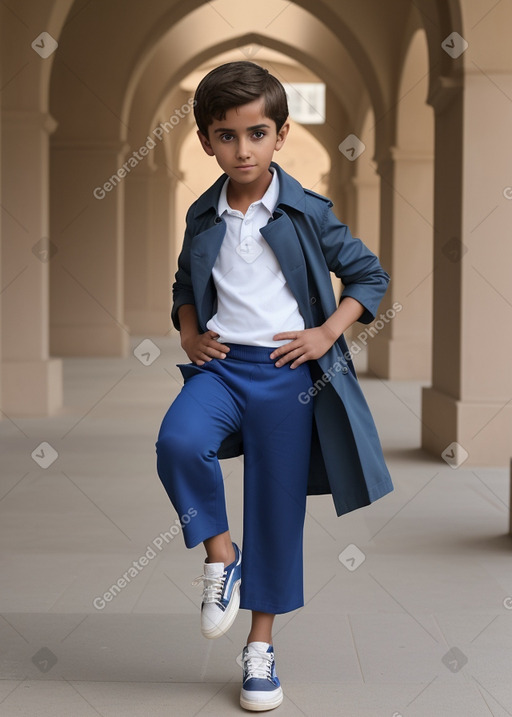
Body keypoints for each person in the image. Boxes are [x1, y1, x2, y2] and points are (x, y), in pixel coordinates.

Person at [155, 60, 393, 712]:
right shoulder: (203, 216)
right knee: (177, 442)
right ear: (206, 139)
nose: (242, 149)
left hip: (290, 377)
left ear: (281, 135)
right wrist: (186, 332)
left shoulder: (308, 212)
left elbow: (369, 277)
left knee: (276, 509)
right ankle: (220, 556)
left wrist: (325, 333)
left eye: (257, 134)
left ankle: (259, 648)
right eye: (226, 136)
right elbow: (184, 285)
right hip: (222, 368)